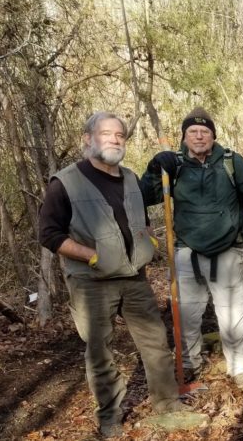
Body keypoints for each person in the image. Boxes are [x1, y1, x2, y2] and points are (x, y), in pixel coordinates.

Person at [39, 112, 192, 438]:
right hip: (90, 283)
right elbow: (50, 235)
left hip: (134, 277)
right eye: (106, 133)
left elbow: (140, 219)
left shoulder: (130, 178)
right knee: (100, 352)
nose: (114, 139)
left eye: (119, 135)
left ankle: (167, 406)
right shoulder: (64, 183)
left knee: (155, 343)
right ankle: (110, 420)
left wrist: (148, 240)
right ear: (87, 139)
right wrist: (93, 256)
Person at [140, 107, 243, 391]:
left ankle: (240, 365)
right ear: (184, 136)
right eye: (192, 131)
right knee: (186, 313)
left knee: (232, 313)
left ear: (214, 136)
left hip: (228, 250)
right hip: (186, 251)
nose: (199, 136)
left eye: (205, 131)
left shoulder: (230, 161)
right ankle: (189, 362)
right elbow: (144, 196)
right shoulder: (174, 165)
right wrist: (155, 169)